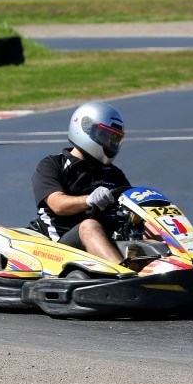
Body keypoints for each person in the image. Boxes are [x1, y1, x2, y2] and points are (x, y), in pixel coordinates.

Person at [31, 101, 131, 266]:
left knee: (147, 227)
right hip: (60, 249)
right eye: (106, 136)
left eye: (115, 139)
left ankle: (179, 268)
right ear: (86, 129)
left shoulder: (114, 173)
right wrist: (89, 200)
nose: (110, 143)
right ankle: (127, 277)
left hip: (105, 240)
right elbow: (57, 204)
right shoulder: (52, 164)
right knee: (89, 226)